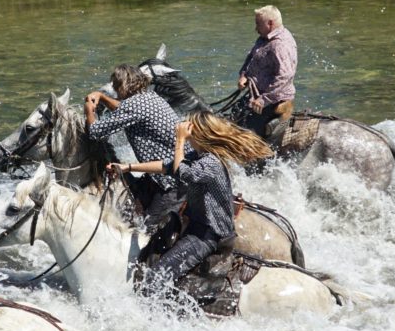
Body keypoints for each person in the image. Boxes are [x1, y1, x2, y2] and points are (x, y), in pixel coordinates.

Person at [107, 110, 272, 297]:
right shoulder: (200, 155)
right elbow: (167, 166)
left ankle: (157, 320)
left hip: (207, 235)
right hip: (193, 226)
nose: (184, 128)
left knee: (155, 278)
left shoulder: (211, 162)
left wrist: (180, 141)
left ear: (200, 134)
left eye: (190, 127)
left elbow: (184, 174)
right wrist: (127, 167)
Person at [85, 63, 180, 224]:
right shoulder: (149, 97)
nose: (115, 91)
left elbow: (94, 132)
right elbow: (123, 108)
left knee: (146, 232)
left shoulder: (134, 105)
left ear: (122, 86)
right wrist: (102, 97)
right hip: (168, 172)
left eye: (116, 86)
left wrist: (89, 109)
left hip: (170, 182)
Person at [237, 4, 298, 137]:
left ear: (270, 23)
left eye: (258, 24)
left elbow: (285, 76)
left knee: (248, 137)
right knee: (234, 117)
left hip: (273, 99)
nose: (255, 28)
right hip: (257, 95)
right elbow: (251, 57)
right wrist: (244, 75)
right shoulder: (264, 37)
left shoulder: (280, 45)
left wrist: (263, 100)